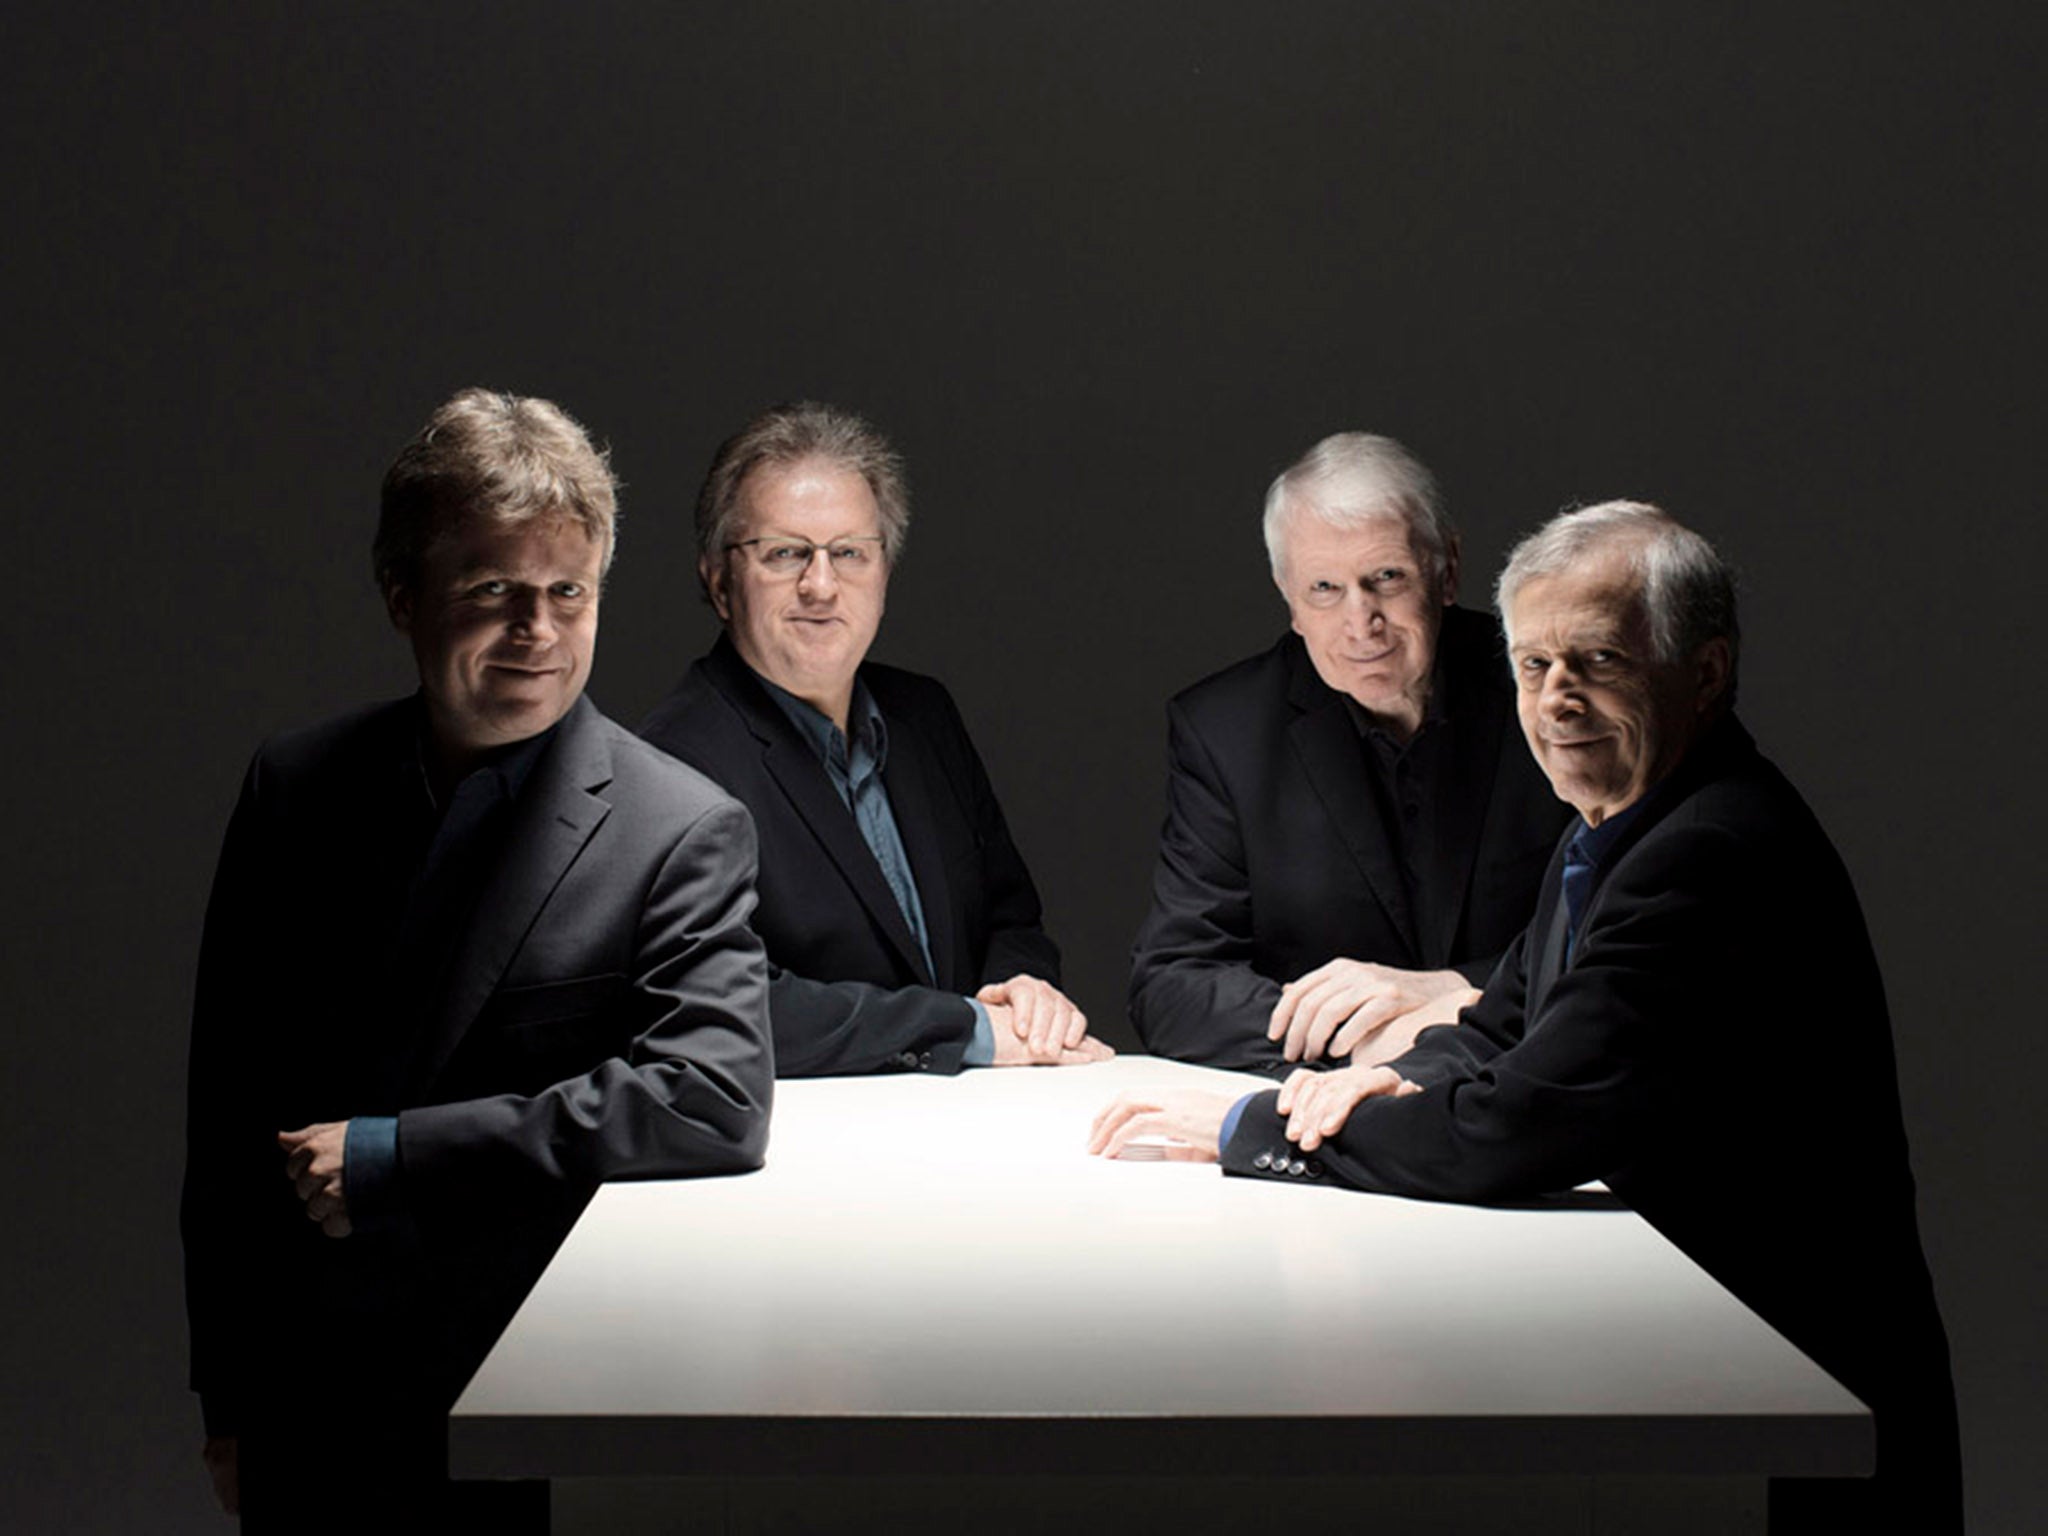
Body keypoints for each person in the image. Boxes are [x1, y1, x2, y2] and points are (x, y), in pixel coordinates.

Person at [1091, 502, 1960, 1528]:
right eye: (1532, 666)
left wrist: (1266, 1128)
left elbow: (1520, 1121)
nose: (1555, 702)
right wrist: (1374, 1084)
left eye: (1595, 662)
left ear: (1706, 670)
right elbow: (1496, 1028)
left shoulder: (1705, 852)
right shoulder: (1614, 829)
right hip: (1727, 1381)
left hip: (1800, 1403)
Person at [181, 389, 774, 1530]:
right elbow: (225, 1118)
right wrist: (230, 1399)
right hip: (310, 1399)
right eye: (492, 591)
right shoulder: (294, 790)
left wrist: (400, 1157)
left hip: (534, 1402)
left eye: (568, 592)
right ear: (403, 597)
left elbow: (711, 1103)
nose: (537, 631)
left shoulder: (681, 828)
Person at [642, 401, 1110, 1076]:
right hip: (808, 1155)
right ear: (719, 581)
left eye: (850, 554)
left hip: (971, 1130)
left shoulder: (923, 715)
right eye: (785, 554)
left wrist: (1025, 991)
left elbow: (1010, 916)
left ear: (884, 573)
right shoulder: (674, 761)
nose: (822, 586)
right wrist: (969, 1030)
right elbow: (729, 1004)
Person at [1128, 432, 1569, 1075]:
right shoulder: (1223, 731)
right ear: (1288, 597)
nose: (1362, 622)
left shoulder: (1552, 690)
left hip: (1529, 1088)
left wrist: (1449, 994)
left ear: (1446, 568)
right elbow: (1172, 986)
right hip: (1336, 1103)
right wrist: (1364, 1041)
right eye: (1325, 589)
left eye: (1386, 578)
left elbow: (1622, 943)